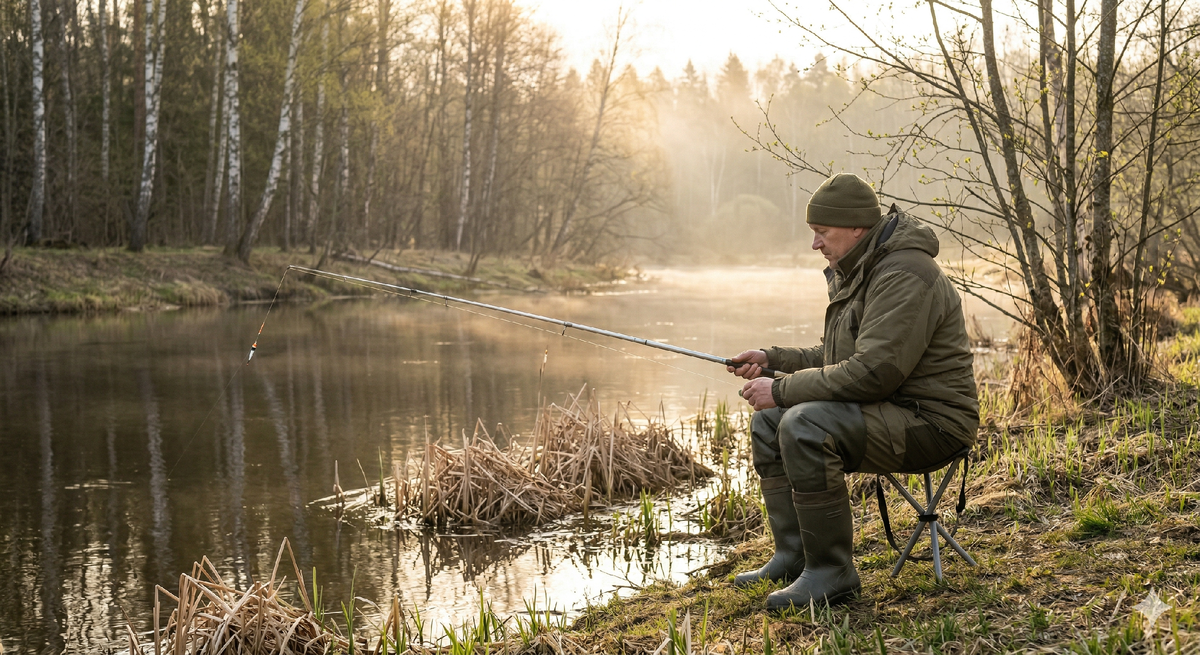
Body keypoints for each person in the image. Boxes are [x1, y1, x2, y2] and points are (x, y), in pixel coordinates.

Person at [727, 173, 978, 610]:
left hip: (932, 423)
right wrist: (773, 358)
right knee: (768, 422)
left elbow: (872, 374)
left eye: (822, 232)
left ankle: (832, 573)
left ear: (857, 226)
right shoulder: (864, 268)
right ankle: (794, 557)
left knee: (803, 424)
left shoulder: (904, 273)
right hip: (888, 410)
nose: (815, 244)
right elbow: (838, 357)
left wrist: (782, 389)